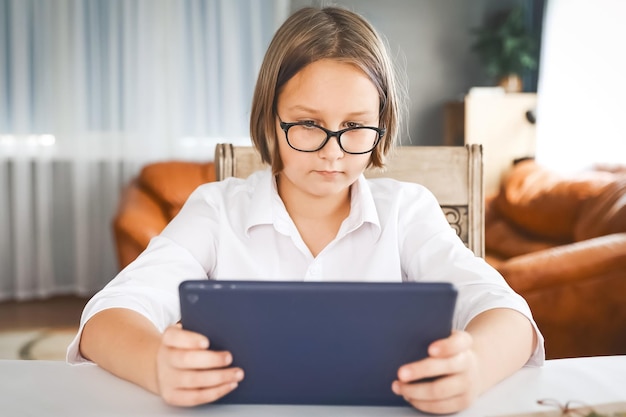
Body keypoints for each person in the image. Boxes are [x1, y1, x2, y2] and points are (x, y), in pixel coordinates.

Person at [67, 6, 544, 414]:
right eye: (307, 124)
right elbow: (107, 317)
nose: (332, 152)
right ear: (270, 122)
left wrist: (475, 365)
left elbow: (509, 315)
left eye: (356, 125)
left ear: (383, 124)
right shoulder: (216, 210)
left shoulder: (407, 210)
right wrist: (155, 362)